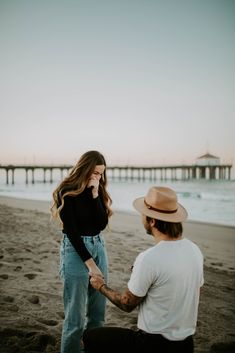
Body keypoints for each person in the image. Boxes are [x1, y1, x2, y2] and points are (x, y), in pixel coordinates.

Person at [84, 186, 204, 353]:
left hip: (152, 344)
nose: (141, 218)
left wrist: (100, 286)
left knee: (91, 337)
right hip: (185, 344)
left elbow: (127, 304)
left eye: (143, 214)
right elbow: (193, 290)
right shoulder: (194, 250)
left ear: (152, 221)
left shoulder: (149, 258)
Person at [50, 150, 113, 353]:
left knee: (97, 314)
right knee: (75, 317)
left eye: (101, 173)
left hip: (99, 246)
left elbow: (101, 224)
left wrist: (95, 195)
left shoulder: (97, 189)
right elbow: (72, 232)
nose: (98, 177)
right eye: (94, 172)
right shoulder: (66, 190)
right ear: (84, 168)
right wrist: (91, 265)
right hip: (75, 250)